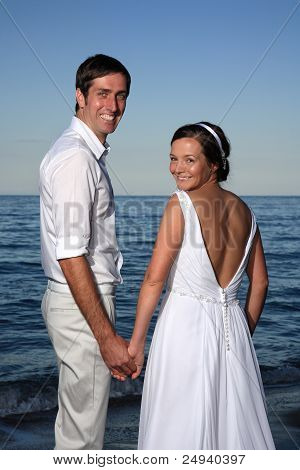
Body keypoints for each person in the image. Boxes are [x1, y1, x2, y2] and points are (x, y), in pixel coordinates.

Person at [127, 122, 276, 449]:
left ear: (214, 165)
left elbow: (154, 278)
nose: (177, 168)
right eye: (173, 158)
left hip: (185, 329)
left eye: (189, 160)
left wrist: (136, 344)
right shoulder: (246, 212)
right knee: (231, 427)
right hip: (233, 330)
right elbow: (261, 283)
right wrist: (241, 330)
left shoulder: (180, 205)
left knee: (179, 426)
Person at [39, 54, 136, 450]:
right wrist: (106, 336)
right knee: (83, 438)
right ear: (79, 96)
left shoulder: (83, 154)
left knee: (77, 424)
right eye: (102, 94)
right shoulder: (77, 158)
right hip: (83, 306)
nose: (112, 107)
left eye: (121, 96)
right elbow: (71, 255)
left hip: (76, 303)